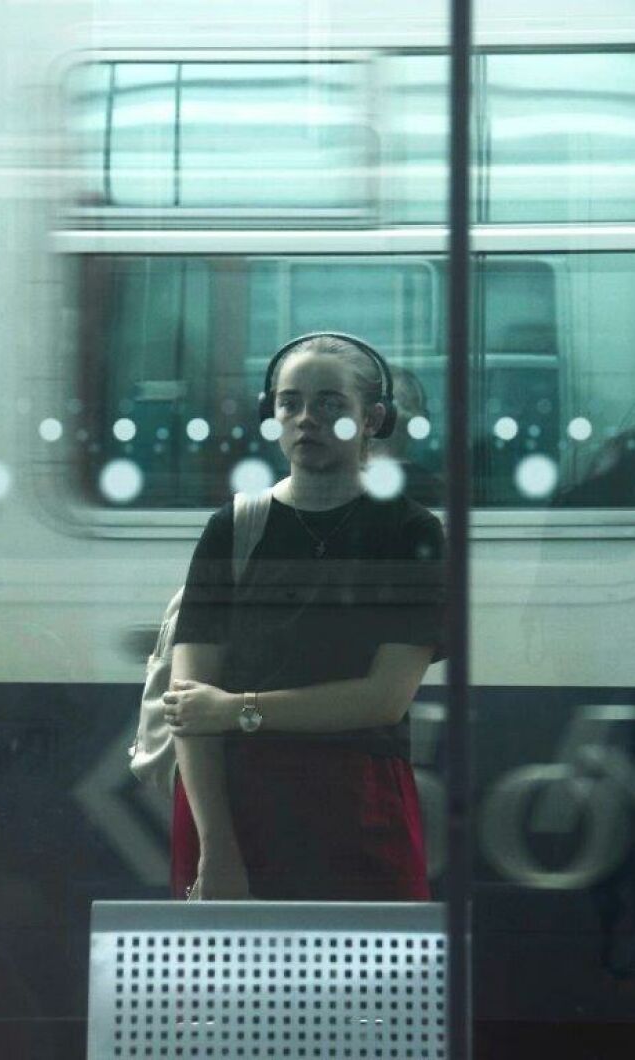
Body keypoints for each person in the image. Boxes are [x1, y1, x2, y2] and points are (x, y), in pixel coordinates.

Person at [163, 333, 446, 901]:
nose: (305, 419)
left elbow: (383, 699)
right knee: (231, 987)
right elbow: (188, 705)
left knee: (370, 986)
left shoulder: (411, 533)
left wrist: (236, 710)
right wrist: (217, 849)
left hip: (359, 807)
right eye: (289, 403)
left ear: (374, 419)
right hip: (235, 812)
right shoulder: (236, 527)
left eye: (331, 404)